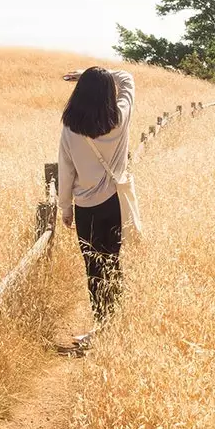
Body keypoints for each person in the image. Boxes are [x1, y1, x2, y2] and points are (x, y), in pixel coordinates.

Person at [57, 66, 134, 324]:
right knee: (113, 261)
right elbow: (127, 80)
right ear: (107, 93)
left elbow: (65, 170)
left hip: (85, 207)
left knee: (93, 268)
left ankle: (102, 321)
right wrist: (98, 75)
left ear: (79, 93)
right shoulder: (119, 119)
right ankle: (116, 322)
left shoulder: (70, 129)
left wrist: (65, 207)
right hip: (114, 202)